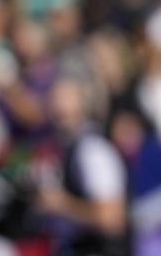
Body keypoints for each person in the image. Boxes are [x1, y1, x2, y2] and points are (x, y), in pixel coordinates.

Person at [37, 78, 132, 256]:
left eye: (65, 99)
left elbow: (111, 217)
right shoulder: (65, 147)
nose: (57, 106)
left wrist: (61, 204)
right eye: (54, 99)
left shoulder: (92, 150)